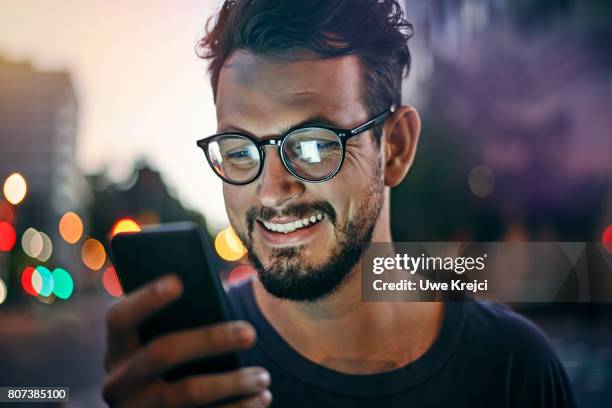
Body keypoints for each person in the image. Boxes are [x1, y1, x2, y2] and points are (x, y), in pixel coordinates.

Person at [102, 0, 576, 406]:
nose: (270, 191)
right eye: (241, 151)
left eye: (312, 145)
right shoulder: (187, 375)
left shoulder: (514, 369)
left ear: (395, 148)